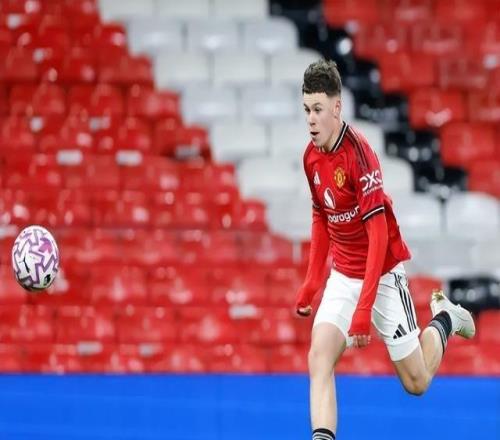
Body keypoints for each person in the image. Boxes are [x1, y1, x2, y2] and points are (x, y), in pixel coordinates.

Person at [295, 59, 476, 440]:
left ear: (337, 108)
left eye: (318, 109)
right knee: (319, 357)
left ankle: (445, 318)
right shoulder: (311, 157)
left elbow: (377, 236)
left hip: (382, 275)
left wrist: (364, 310)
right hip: (343, 276)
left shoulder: (360, 155)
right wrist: (312, 283)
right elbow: (321, 216)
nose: (311, 119)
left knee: (416, 382)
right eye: (307, 109)